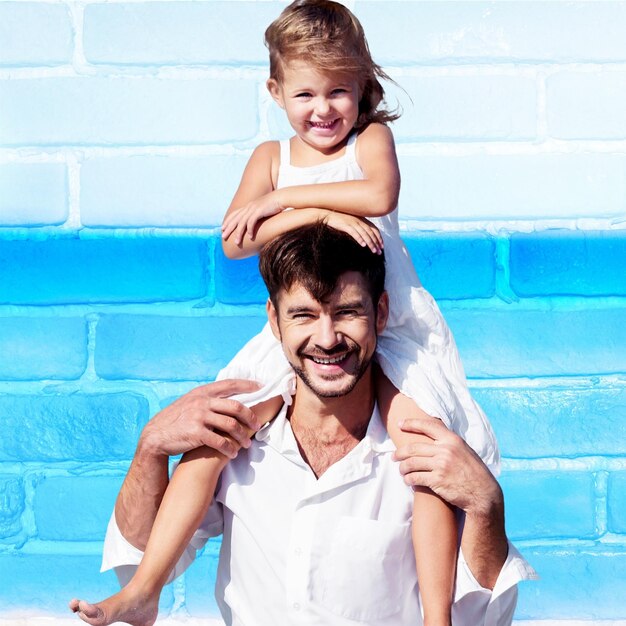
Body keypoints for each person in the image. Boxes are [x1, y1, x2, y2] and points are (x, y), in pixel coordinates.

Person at [70, 1, 500, 624]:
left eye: (339, 91)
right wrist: (314, 213)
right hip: (296, 328)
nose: (323, 109)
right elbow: (235, 240)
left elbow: (378, 194)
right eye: (305, 93)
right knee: (217, 433)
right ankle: (144, 590)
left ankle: (438, 617)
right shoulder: (269, 158)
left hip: (389, 327)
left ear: (362, 88)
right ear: (275, 91)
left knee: (420, 452)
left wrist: (287, 201)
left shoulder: (368, 139)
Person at [76, 224, 535, 626]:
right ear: (274, 321)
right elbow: (135, 563)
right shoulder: (237, 439)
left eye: (348, 312)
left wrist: (487, 506)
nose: (327, 338)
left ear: (380, 313)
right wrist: (150, 449)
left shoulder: (424, 447)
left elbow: (483, 618)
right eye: (304, 315)